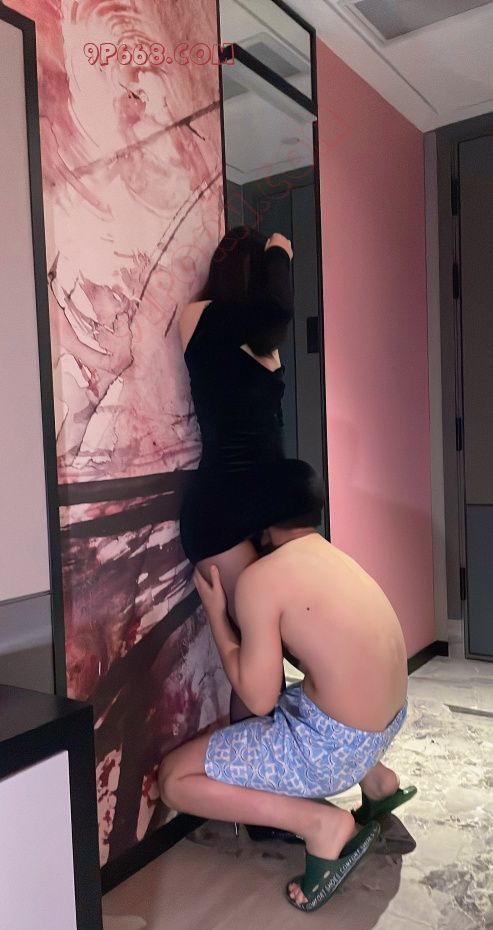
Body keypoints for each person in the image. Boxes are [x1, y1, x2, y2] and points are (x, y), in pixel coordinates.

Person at [159, 463, 416, 912]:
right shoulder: (336, 557)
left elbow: (257, 698)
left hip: (334, 747)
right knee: (311, 691)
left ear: (259, 516)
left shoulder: (262, 579)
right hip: (385, 725)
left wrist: (217, 614)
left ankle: (320, 825)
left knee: (174, 780)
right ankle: (379, 782)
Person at [179, 227, 298, 725]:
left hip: (259, 512)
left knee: (271, 646)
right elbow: (276, 314)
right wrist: (280, 252)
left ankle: (264, 760)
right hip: (222, 514)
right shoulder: (200, 317)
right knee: (265, 653)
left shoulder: (256, 338)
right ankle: (251, 765)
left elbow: (272, 321)